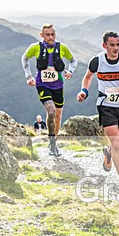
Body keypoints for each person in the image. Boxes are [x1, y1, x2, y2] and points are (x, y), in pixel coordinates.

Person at [76, 30, 119, 185]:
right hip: (106, 105)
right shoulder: (97, 61)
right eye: (112, 45)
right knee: (116, 144)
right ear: (104, 45)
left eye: (118, 44)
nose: (115, 48)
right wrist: (84, 91)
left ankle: (108, 152)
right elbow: (87, 77)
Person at [21, 24, 77, 157]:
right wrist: (28, 76)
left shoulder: (62, 48)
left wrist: (70, 71)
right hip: (42, 84)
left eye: (53, 34)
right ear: (42, 35)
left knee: (57, 116)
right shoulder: (35, 47)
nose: (51, 37)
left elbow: (73, 60)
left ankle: (54, 142)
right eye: (48, 35)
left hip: (58, 86)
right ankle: (51, 145)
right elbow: (25, 58)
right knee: (51, 111)